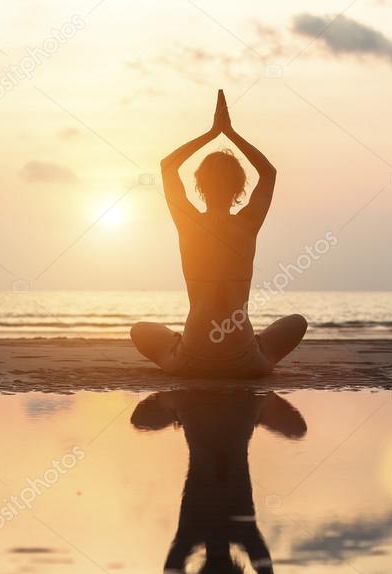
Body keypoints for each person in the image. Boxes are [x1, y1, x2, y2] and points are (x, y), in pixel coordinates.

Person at [130, 89, 307, 378]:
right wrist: (230, 133)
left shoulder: (188, 223)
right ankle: (258, 347)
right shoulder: (248, 223)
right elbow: (269, 173)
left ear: (199, 185)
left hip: (191, 360)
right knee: (297, 322)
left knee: (139, 330)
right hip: (245, 361)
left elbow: (167, 166)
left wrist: (212, 133)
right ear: (240, 188)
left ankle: (179, 344)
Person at [130, 389, 307, 574]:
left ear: (239, 570)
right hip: (214, 401)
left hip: (222, 401)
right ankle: (238, 409)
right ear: (202, 573)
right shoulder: (193, 535)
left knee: (264, 412)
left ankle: (236, 410)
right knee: (271, 415)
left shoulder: (240, 533)